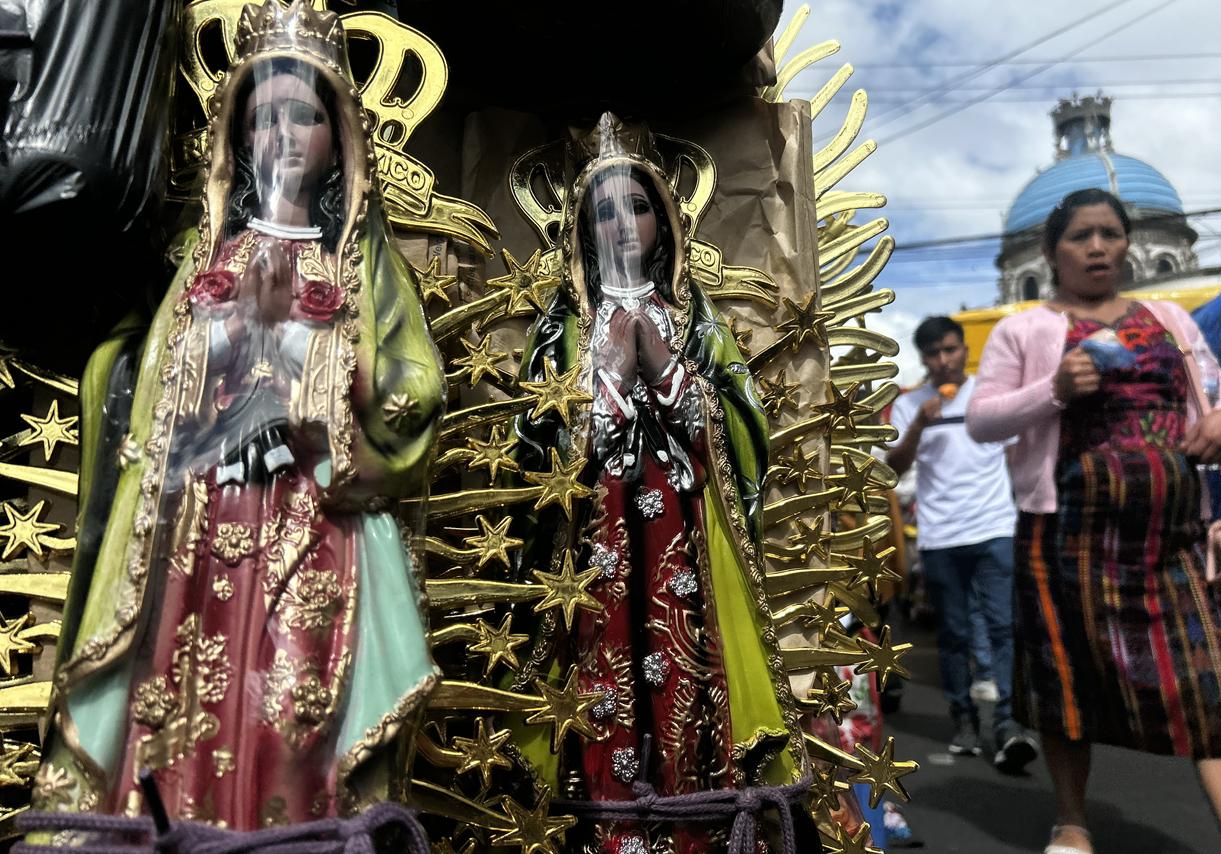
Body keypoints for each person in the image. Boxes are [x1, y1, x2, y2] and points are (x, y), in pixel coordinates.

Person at [31, 0, 444, 832]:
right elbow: (146, 387)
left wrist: (312, 369)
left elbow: (414, 389)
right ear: (237, 135)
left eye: (304, 115)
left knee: (295, 715)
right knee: (180, 712)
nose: (284, 136)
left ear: (340, 134)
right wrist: (229, 334)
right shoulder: (205, 259)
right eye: (264, 118)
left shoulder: (362, 266)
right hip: (196, 530)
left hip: (313, 526)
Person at [512, 115, 808, 853]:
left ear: (666, 220)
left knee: (687, 667)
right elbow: (535, 444)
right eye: (603, 210)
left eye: (636, 207)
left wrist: (668, 371)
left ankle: (695, 820)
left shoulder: (696, 320)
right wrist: (607, 380)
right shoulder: (564, 328)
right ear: (581, 228)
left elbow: (746, 430)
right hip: (594, 533)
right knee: (597, 658)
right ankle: (599, 827)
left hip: (685, 532)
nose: (621, 225)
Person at [967, 188, 1221, 854]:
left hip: (1172, 543)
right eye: (1081, 235)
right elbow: (984, 420)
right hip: (1065, 538)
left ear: (1128, 243)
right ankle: (1071, 821)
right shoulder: (1026, 330)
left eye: (1109, 233)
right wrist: (1054, 389)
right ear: (1053, 252)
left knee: (1210, 690)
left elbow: (1219, 389)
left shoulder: (1170, 319)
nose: (1098, 246)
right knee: (1064, 683)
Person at [887, 317, 1037, 773]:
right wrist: (918, 426)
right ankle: (964, 721)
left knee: (1003, 628)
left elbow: (1014, 454)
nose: (943, 361)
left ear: (965, 350)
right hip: (940, 535)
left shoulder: (987, 398)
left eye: (950, 350)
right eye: (933, 354)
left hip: (994, 528)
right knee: (952, 633)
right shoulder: (910, 403)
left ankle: (1008, 724)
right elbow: (893, 466)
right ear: (923, 358)